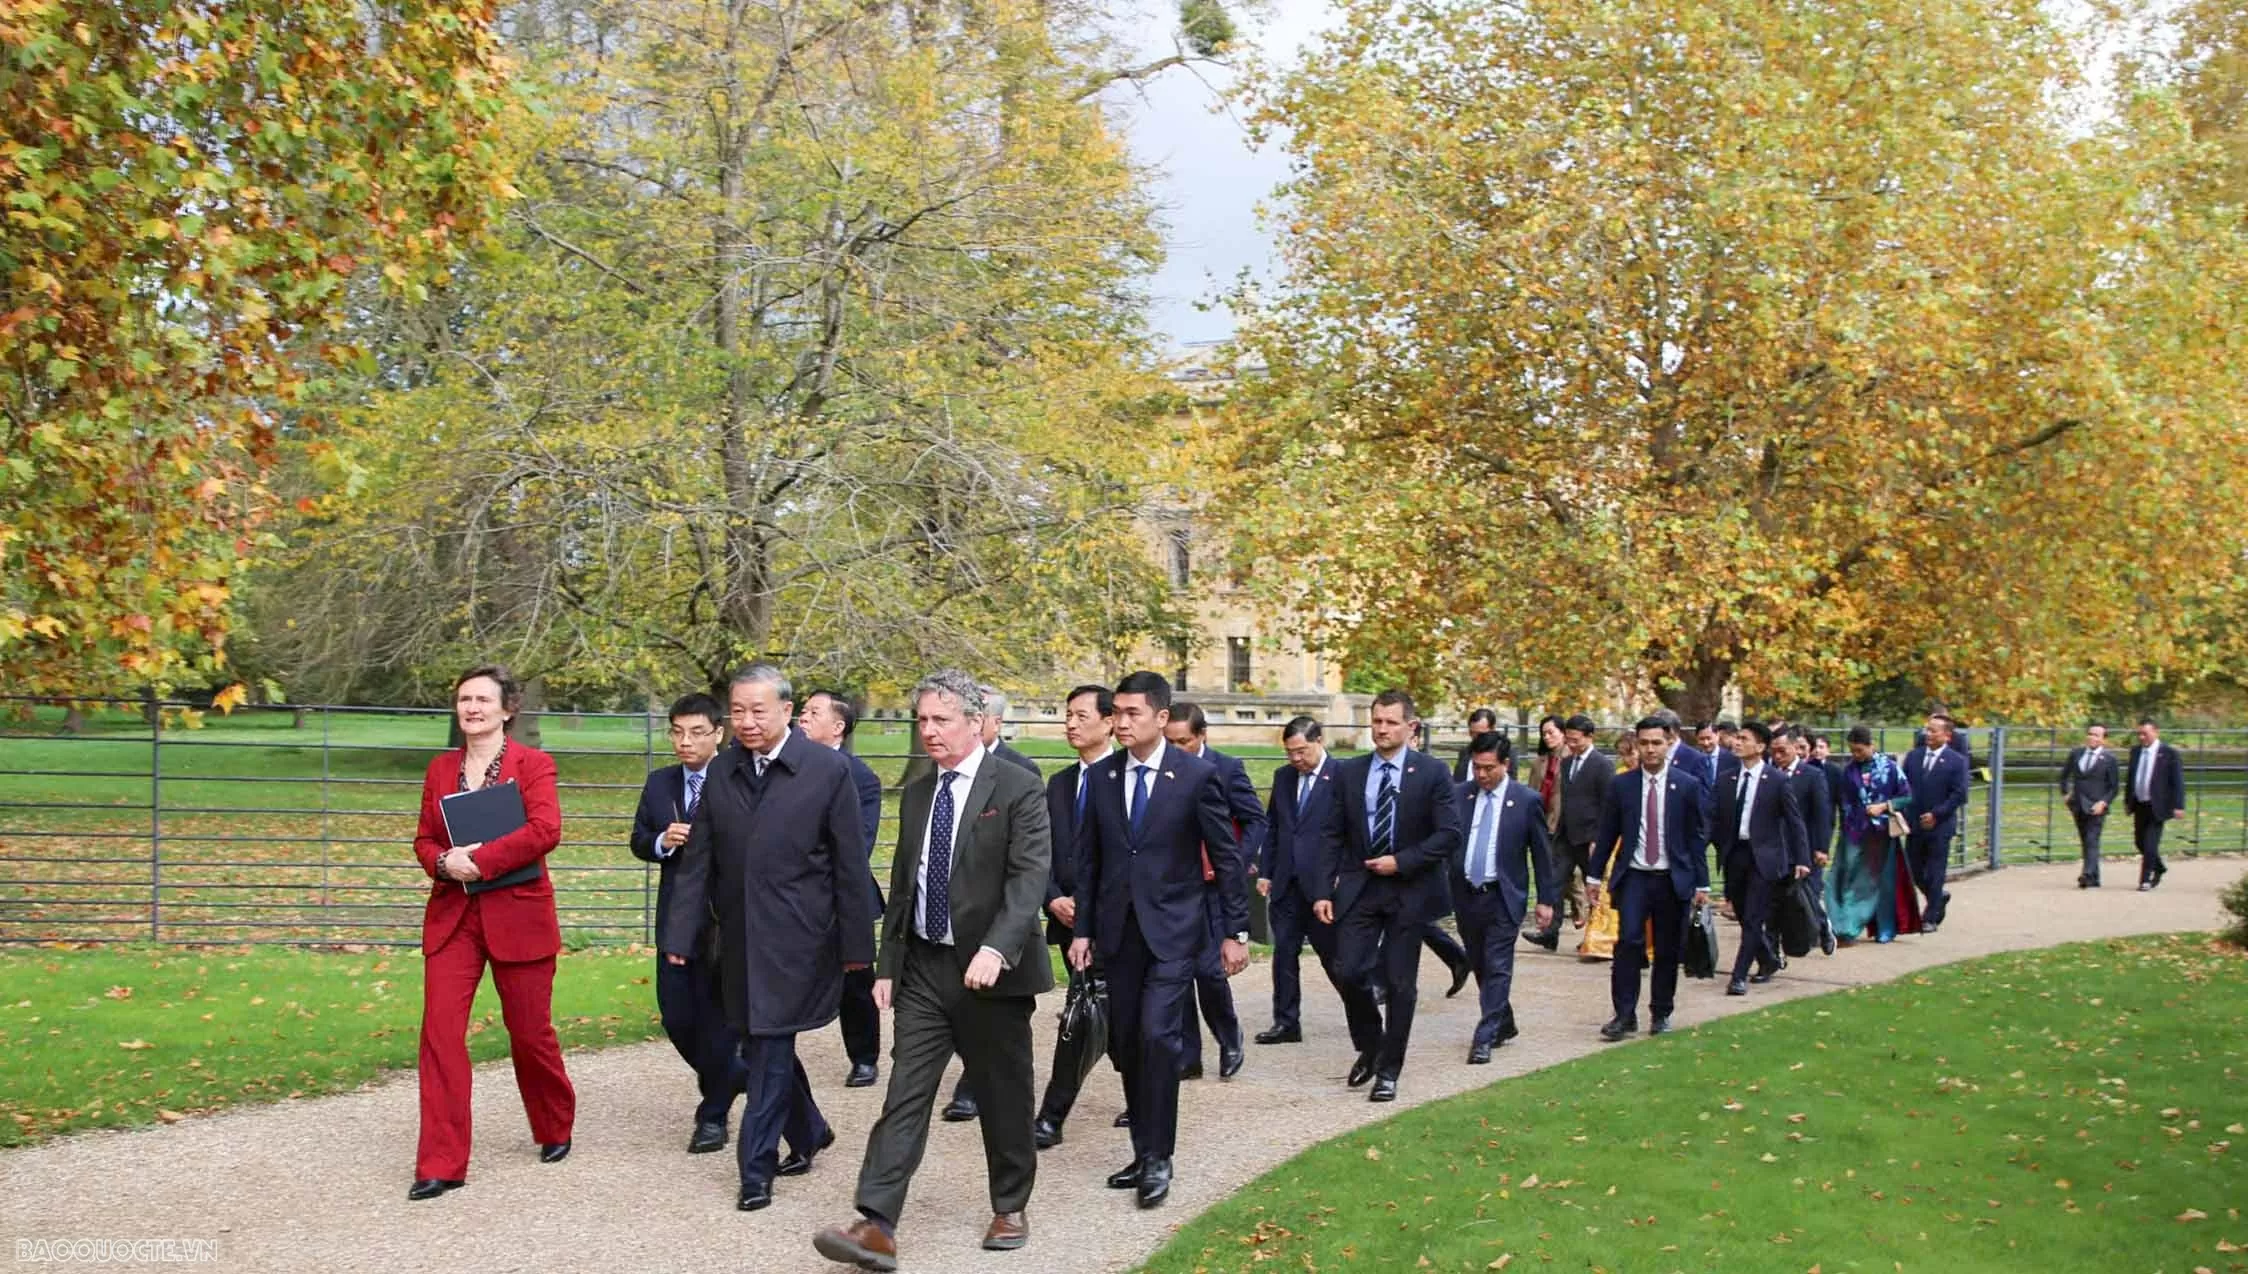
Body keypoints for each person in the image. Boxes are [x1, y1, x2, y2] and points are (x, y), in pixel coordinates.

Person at [811, 672, 1053, 1269]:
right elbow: (904, 884)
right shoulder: (920, 792)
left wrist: (997, 949)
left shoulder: (1018, 787)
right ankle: (876, 1222)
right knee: (905, 1094)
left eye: (941, 720)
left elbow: (1028, 881)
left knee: (1002, 1093)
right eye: (922, 720)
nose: (929, 731)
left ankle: (1010, 1203)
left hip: (992, 972)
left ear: (976, 722)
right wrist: (888, 963)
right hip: (924, 967)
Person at [660, 664, 878, 1212]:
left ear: (787, 710)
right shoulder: (722, 772)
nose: (747, 722)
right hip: (736, 940)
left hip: (800, 940)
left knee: (772, 1045)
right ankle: (808, 1129)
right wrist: (680, 935)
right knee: (758, 1044)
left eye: (759, 710)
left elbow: (850, 867)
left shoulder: (828, 772)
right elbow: (698, 863)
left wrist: (857, 950)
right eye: (737, 711)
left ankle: (755, 1171)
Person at [1068, 670, 1248, 1210]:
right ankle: (1142, 1149)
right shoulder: (1101, 779)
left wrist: (1235, 932)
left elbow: (1226, 857)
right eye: (1116, 713)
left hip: (1175, 936)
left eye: (1131, 714)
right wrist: (1083, 931)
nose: (1120, 722)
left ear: (1161, 718)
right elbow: (1091, 862)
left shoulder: (1194, 778)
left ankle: (1159, 1158)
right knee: (1125, 1044)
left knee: (1156, 1038)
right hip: (1118, 937)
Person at [407, 664, 576, 1201]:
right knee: (439, 1036)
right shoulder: (439, 769)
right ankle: (441, 1163)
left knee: (530, 1033)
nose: (472, 708)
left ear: (507, 709)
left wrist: (482, 863)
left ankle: (554, 1124)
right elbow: (424, 839)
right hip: (454, 917)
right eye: (464, 699)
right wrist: (442, 863)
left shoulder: (533, 765)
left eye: (482, 699)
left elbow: (546, 830)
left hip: (518, 914)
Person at [1315, 689, 1462, 1102]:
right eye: (1377, 721)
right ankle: (1372, 1044)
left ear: (1410, 727)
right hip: (1361, 887)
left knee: (1400, 983)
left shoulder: (1432, 773)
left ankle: (1389, 1071)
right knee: (1347, 970)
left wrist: (1403, 861)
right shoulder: (1349, 772)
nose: (1381, 729)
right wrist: (1323, 889)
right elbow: (1331, 833)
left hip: (1409, 889)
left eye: (1390, 722)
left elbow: (1449, 834)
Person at [628, 692, 744, 1154]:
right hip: (676, 918)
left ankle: (712, 1116)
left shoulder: (739, 778)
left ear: (718, 732)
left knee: (719, 1021)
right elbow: (638, 839)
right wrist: (662, 840)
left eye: (696, 732)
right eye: (676, 732)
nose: (684, 741)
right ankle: (735, 1077)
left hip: (727, 920)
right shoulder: (660, 784)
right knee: (677, 1016)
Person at [942, 685, 1044, 1124]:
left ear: (991, 722)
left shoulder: (1020, 773)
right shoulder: (939, 773)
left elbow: (1029, 861)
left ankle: (975, 1086)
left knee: (997, 1028)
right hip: (948, 927)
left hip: (997, 925)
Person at [1254, 716, 1377, 1053]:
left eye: (1301, 751)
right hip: (1286, 881)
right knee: (1284, 953)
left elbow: (1353, 832)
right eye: (1290, 753)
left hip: (1324, 884)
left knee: (1334, 957)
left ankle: (1362, 1008)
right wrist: (1266, 871)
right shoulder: (1283, 778)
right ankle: (1286, 1021)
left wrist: (1342, 876)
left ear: (1319, 741)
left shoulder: (1342, 776)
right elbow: (1275, 827)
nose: (1296, 759)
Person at [1586, 717, 1708, 1041]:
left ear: (1668, 743)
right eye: (1644, 743)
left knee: (1668, 949)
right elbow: (1608, 831)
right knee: (1628, 943)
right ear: (1637, 745)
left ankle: (1661, 1012)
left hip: (1672, 877)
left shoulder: (1686, 785)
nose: (1650, 749)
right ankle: (1624, 1015)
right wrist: (1593, 876)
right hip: (1635, 876)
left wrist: (1702, 883)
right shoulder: (1622, 785)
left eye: (1656, 742)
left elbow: (1696, 837)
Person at [1032, 684, 1116, 1149]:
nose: (1071, 723)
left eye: (1082, 715)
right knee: (1093, 1011)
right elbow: (1040, 851)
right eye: (1067, 715)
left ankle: (1051, 1114)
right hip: (1067, 921)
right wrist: (1052, 899)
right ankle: (1142, 1093)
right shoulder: (1060, 784)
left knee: (1088, 1016)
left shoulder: (1126, 779)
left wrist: (1095, 911)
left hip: (1114, 925)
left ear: (1109, 722)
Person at [1161, 701, 1260, 1082]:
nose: (1175, 748)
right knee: (1179, 972)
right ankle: (1188, 1055)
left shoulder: (1226, 768)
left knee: (1209, 970)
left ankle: (1229, 1035)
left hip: (1216, 885)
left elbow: (1255, 819)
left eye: (1183, 741)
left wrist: (1233, 860)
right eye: (1170, 741)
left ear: (1202, 736)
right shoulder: (1160, 770)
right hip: (1176, 885)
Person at [1452, 732, 1557, 1062]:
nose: (1482, 775)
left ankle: (1484, 1037)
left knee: (1498, 965)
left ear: (1506, 765)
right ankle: (1504, 1021)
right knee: (1480, 963)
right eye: (1477, 768)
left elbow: (1542, 855)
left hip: (1503, 895)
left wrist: (1546, 900)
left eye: (1489, 768)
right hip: (1467, 894)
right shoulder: (1460, 795)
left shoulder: (1525, 801)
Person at [801, 689, 886, 1088]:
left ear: (837, 727)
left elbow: (859, 844)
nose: (802, 716)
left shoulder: (861, 777)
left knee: (855, 980)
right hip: (789, 897)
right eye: (802, 710)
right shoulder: (784, 766)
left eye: (813, 712)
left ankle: (865, 1056)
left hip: (841, 898)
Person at [1711, 722, 1808, 997]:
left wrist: (1802, 858)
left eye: (1744, 739)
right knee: (1742, 913)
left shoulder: (1776, 780)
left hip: (1764, 858)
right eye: (1737, 738)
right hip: (1735, 855)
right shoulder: (1726, 779)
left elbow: (1794, 821)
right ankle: (1767, 957)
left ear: (1760, 747)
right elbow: (1714, 819)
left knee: (1754, 916)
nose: (1736, 743)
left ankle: (1739, 975)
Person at [1829, 725, 1920, 944]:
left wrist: (1885, 806)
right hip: (1855, 832)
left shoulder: (1890, 768)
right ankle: (1846, 925)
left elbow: (1907, 796)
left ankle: (1885, 927)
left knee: (1885, 881)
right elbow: (1845, 801)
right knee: (1850, 878)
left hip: (1883, 833)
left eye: (1860, 750)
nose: (1856, 755)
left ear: (1872, 745)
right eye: (1852, 751)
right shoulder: (1849, 771)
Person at [1533, 713, 1613, 948]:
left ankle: (1598, 936)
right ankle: (1550, 932)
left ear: (1590, 737)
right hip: (1565, 835)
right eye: (1568, 739)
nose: (1571, 744)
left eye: (1576, 739)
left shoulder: (1602, 765)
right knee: (1554, 883)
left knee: (1596, 889)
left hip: (1589, 838)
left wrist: (1598, 838)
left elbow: (1608, 806)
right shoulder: (1566, 763)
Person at [1901, 713, 1970, 932]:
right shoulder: (1913, 756)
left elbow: (1959, 794)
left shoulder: (1956, 761)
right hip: (1914, 824)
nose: (1927, 734)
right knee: (1913, 869)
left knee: (1936, 870)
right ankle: (1937, 896)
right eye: (1927, 729)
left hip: (1940, 826)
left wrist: (1937, 814)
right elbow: (1904, 788)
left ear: (1947, 736)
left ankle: (1930, 917)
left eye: (1933, 730)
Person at [1778, 728, 1837, 954]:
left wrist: (1821, 847)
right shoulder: (1774, 772)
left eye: (1804, 748)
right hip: (1781, 846)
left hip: (1808, 846)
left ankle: (1822, 927)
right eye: (1797, 747)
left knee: (1808, 893)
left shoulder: (1813, 776)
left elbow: (1823, 814)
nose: (1801, 752)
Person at [2124, 718, 2187, 891]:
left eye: (2145, 733)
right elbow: (2130, 778)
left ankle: (2145, 879)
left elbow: (2177, 782)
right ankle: (2158, 866)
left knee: (2151, 843)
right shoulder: (2136, 752)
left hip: (2158, 806)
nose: (2142, 737)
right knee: (2139, 842)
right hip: (2140, 804)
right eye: (2139, 734)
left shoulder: (2168, 753)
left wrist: (2179, 805)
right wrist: (2127, 801)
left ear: (2156, 732)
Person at [2060, 724, 2120, 889]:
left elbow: (2114, 787)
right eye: (2090, 734)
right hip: (2078, 804)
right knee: (2086, 841)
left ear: (2103, 739)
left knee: (2092, 839)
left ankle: (2086, 874)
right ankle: (2094, 878)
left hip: (2096, 806)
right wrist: (2066, 794)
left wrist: (2103, 802)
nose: (2092, 738)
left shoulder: (2109, 759)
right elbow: (2064, 776)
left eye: (2097, 735)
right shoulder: (2076, 754)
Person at [1452, 708, 1499, 782]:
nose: (1475, 738)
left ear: (1493, 729)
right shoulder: (1465, 752)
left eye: (1480, 734)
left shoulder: (1506, 752)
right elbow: (1457, 781)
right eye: (1472, 733)